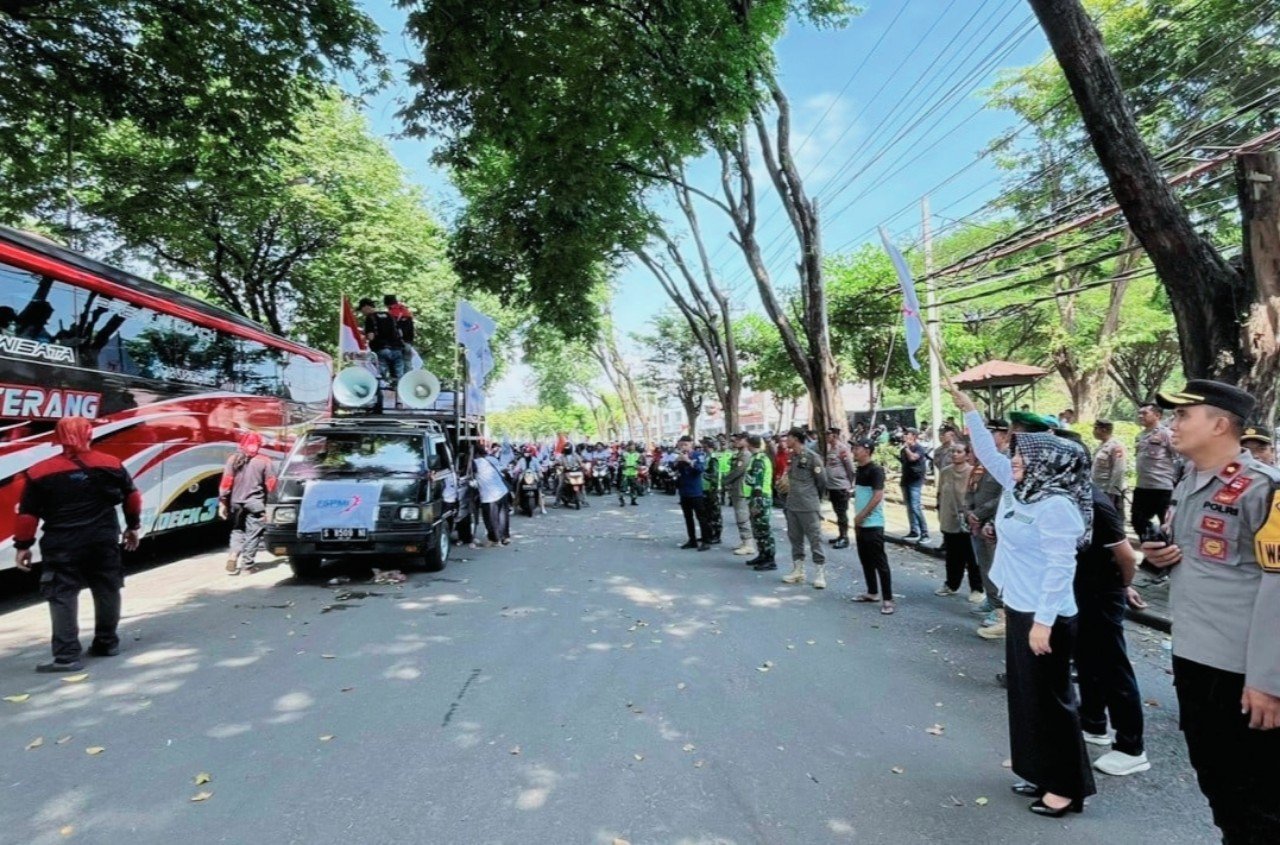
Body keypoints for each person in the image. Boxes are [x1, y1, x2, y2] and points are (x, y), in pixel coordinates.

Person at [949, 378, 1097, 818]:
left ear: (1046, 463)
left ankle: (1066, 787)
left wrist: (1043, 622)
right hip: (1020, 606)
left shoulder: (1057, 506)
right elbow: (989, 453)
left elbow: (1061, 569)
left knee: (1053, 701)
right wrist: (970, 410)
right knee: (1026, 699)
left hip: (1045, 616)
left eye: (1022, 456)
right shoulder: (1021, 489)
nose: (1013, 460)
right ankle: (1038, 770)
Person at [1142, 380, 1280, 842]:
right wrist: (1158, 559)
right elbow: (1197, 557)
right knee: (1217, 781)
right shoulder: (1189, 480)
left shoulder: (1265, 490)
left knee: (1258, 796)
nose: (1172, 424)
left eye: (1183, 415)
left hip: (1244, 670)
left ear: (1220, 425)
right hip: (1194, 656)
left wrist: (1269, 681)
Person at [13, 416, 142, 672]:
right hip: (103, 539)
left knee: (62, 594)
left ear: (58, 437)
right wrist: (133, 527)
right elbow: (133, 498)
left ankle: (66, 657)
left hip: (62, 543)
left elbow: (27, 515)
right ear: (89, 434)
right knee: (107, 588)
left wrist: (23, 546)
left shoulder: (39, 471)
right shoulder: (112, 464)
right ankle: (107, 643)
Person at [1074, 484, 1150, 778]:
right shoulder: (1068, 494)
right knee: (1086, 658)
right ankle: (1093, 722)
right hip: (1082, 590)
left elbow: (1126, 556)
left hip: (1102, 592)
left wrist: (1122, 586)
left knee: (1112, 664)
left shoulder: (1094, 502)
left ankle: (1131, 747)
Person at [969, 419, 1010, 640]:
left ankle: (1000, 608)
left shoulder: (1008, 460)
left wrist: (981, 514)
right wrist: (970, 511)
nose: (987, 437)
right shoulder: (986, 460)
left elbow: (1004, 496)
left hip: (992, 521)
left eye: (992, 433)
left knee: (995, 565)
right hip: (978, 519)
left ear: (1004, 435)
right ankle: (992, 600)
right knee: (984, 564)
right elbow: (972, 486)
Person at [218, 431, 278, 575]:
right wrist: (272, 503)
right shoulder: (264, 461)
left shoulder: (233, 459)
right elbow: (271, 484)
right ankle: (247, 566)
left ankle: (233, 555)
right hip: (255, 504)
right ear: (259, 444)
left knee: (238, 529)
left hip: (236, 503)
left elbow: (226, 482)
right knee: (253, 534)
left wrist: (222, 502)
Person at [936, 442, 984, 602]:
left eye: (958, 451)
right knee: (952, 556)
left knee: (972, 557)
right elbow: (940, 493)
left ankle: (977, 588)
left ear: (967, 454)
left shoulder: (973, 472)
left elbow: (976, 496)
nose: (954, 454)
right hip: (949, 519)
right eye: (952, 451)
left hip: (967, 520)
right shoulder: (945, 472)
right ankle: (951, 584)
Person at [851, 438, 894, 614]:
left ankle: (888, 599)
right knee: (865, 560)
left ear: (867, 451)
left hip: (873, 523)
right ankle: (872, 592)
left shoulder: (876, 470)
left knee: (880, 562)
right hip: (860, 523)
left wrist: (862, 516)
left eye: (857, 448)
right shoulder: (859, 469)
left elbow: (877, 496)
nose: (854, 450)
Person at [781, 427, 827, 588]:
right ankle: (798, 570)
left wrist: (813, 498)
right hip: (792, 504)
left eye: (788, 437)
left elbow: (822, 481)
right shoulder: (792, 457)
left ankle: (820, 573)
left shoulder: (812, 457)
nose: (786, 440)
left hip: (808, 506)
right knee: (795, 539)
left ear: (795, 438)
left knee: (815, 539)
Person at [1132, 401, 1179, 536]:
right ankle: (1151, 541)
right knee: (1137, 521)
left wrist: (1176, 480)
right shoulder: (1140, 435)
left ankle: (1165, 545)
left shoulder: (1166, 434)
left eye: (1144, 413)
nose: (1140, 416)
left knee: (1167, 524)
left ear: (1157, 415)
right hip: (1142, 486)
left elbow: (1179, 457)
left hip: (1162, 488)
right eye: (1139, 413)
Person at [743, 435, 776, 570]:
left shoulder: (758, 460)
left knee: (763, 530)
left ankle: (769, 559)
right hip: (758, 497)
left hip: (760, 498)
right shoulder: (757, 458)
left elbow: (757, 483)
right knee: (758, 530)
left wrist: (756, 504)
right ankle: (762, 555)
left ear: (750, 445)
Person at [674, 436, 711, 551]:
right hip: (684, 491)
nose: (683, 447)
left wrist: (688, 461)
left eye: (686, 444)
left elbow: (700, 469)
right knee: (688, 517)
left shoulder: (698, 455)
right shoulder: (680, 456)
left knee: (701, 517)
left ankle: (706, 541)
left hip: (695, 491)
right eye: (681, 445)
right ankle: (692, 540)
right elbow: (672, 469)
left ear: (691, 444)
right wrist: (676, 461)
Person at [824, 427, 857, 550]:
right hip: (832, 486)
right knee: (837, 512)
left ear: (835, 436)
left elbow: (850, 468)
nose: (826, 437)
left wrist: (850, 485)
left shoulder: (842, 449)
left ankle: (844, 538)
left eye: (828, 435)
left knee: (842, 513)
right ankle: (840, 535)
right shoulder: (830, 449)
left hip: (841, 486)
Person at [360, 297, 407, 384]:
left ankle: (384, 389)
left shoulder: (370, 318)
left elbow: (371, 337)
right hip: (397, 349)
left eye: (361, 309)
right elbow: (399, 332)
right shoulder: (389, 315)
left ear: (366, 307)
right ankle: (398, 390)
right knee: (399, 378)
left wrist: (364, 334)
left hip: (381, 349)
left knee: (382, 379)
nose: (362, 312)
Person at [474, 445, 512, 546]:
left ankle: (495, 540)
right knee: (503, 517)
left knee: (490, 519)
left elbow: (468, 473)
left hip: (490, 495)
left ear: (475, 454)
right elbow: (501, 469)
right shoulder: (492, 459)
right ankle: (505, 537)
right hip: (502, 490)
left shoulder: (475, 463)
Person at [898, 428, 930, 542]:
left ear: (914, 436)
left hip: (916, 481)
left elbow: (913, 458)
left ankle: (925, 533)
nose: (905, 435)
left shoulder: (919, 448)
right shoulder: (903, 450)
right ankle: (914, 530)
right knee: (909, 507)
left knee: (916, 506)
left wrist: (906, 448)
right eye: (904, 433)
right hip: (905, 479)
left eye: (907, 434)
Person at [725, 432, 755, 557]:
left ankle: (749, 544)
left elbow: (738, 471)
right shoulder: (739, 454)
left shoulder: (746, 455)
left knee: (742, 517)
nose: (736, 441)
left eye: (739, 439)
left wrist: (725, 480)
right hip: (737, 488)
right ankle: (744, 541)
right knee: (739, 517)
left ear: (746, 441)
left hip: (742, 489)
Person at [1091, 419, 1127, 512]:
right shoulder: (1102, 445)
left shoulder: (1116, 446)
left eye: (1095, 428)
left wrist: (1113, 492)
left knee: (1113, 517)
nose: (1093, 431)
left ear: (1103, 430)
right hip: (1099, 488)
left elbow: (1119, 470)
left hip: (1109, 491)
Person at [699, 436, 723, 544]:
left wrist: (713, 490)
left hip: (711, 490)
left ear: (708, 445)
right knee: (706, 514)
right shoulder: (706, 456)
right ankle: (708, 534)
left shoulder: (713, 458)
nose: (702, 446)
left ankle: (716, 536)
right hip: (704, 489)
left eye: (704, 444)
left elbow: (714, 475)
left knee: (714, 514)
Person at [618, 442, 642, 506]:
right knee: (623, 488)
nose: (631, 447)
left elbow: (640, 462)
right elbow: (620, 461)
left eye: (633, 445)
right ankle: (622, 501)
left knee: (633, 488)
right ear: (628, 446)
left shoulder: (638, 454)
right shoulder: (624, 454)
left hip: (634, 474)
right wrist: (623, 465)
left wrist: (637, 466)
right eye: (630, 445)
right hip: (625, 473)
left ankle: (633, 500)